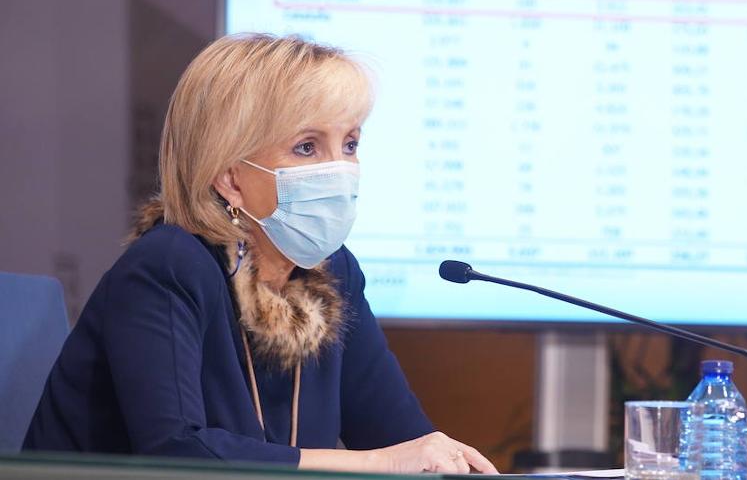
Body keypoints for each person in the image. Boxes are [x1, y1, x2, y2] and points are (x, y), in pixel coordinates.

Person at [24, 33, 498, 474]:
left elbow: (401, 438)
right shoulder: (168, 266)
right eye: (307, 147)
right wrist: (374, 463)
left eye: (350, 144)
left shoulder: (332, 272)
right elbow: (177, 453)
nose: (339, 168)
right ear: (230, 178)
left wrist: (444, 461)